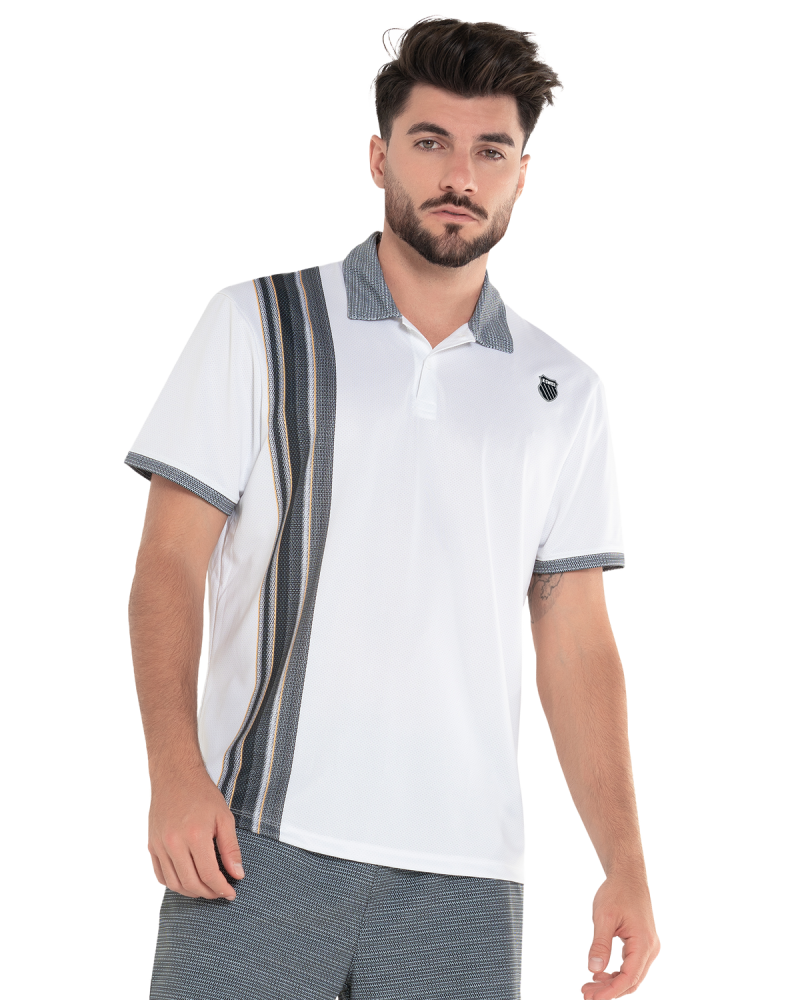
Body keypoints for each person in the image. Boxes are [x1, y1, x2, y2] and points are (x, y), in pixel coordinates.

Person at [127, 17, 659, 1000]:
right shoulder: (259, 323)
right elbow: (168, 561)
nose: (459, 174)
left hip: (467, 876)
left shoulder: (563, 392)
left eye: (489, 150)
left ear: (521, 174)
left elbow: (577, 639)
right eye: (430, 141)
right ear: (379, 157)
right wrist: (173, 773)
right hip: (252, 842)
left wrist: (623, 860)